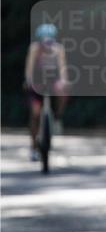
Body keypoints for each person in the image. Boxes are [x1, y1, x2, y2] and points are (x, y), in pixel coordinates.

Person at [24, 23, 69, 159]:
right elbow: (29, 68)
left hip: (51, 82)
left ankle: (57, 117)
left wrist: (64, 81)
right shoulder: (34, 49)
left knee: (63, 92)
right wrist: (28, 81)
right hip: (37, 83)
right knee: (35, 114)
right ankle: (33, 146)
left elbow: (62, 67)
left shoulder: (58, 49)